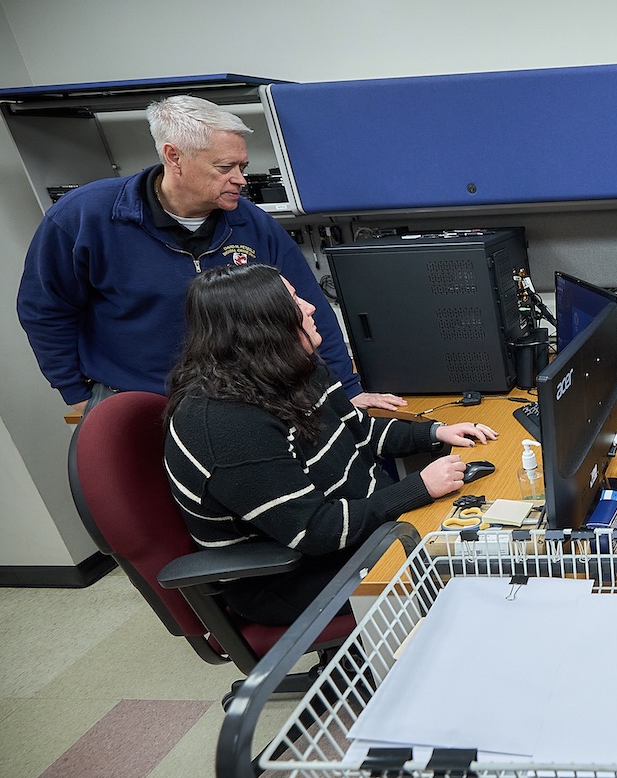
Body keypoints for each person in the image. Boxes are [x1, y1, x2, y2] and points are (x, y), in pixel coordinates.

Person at [16, 94, 404, 415]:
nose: (240, 179)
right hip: (138, 402)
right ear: (174, 157)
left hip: (244, 401)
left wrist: (346, 388)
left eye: (243, 166)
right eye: (225, 167)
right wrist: (77, 394)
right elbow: (44, 310)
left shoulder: (251, 224)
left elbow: (307, 307)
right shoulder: (84, 217)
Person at [163, 264, 496, 626]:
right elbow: (314, 531)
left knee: (486, 542)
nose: (310, 307)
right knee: (474, 574)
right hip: (290, 578)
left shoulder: (293, 369)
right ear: (261, 326)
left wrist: (434, 433)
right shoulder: (226, 425)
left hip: (356, 533)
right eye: (292, 301)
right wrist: (418, 488)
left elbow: (362, 432)